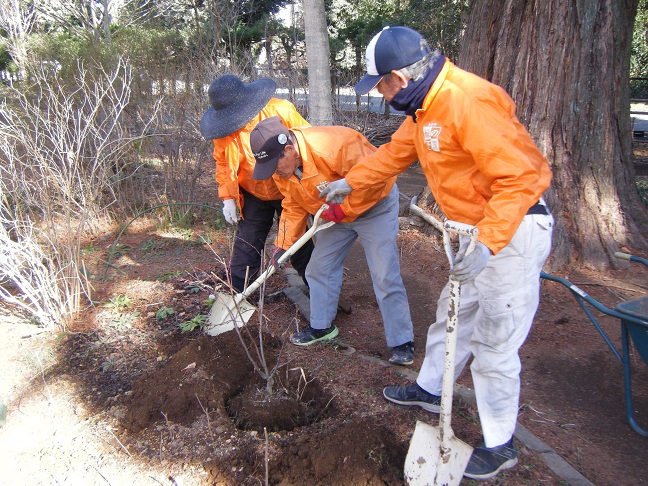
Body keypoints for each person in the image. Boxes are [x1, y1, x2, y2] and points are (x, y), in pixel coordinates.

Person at [319, 26, 554, 480]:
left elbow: (522, 179)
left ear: (399, 79)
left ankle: (500, 442)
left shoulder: (467, 100)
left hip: (510, 232)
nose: (382, 96)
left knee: (494, 342)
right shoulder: (425, 108)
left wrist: (487, 243)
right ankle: (429, 388)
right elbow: (393, 156)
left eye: (381, 86)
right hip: (473, 232)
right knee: (452, 312)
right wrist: (352, 181)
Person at [249, 116, 416, 365]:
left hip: (375, 206)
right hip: (333, 212)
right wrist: (282, 244)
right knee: (319, 269)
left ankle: (402, 341)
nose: (275, 172)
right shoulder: (280, 168)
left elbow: (376, 179)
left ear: (289, 149)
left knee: (383, 274)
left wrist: (345, 209)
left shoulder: (337, 144)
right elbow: (293, 204)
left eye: (276, 165)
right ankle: (322, 327)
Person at [200, 74, 313, 293]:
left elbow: (308, 144)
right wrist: (228, 198)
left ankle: (320, 292)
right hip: (252, 193)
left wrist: (309, 183)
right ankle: (240, 296)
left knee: (297, 244)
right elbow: (222, 162)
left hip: (288, 190)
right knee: (246, 246)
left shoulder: (280, 110)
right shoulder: (224, 129)